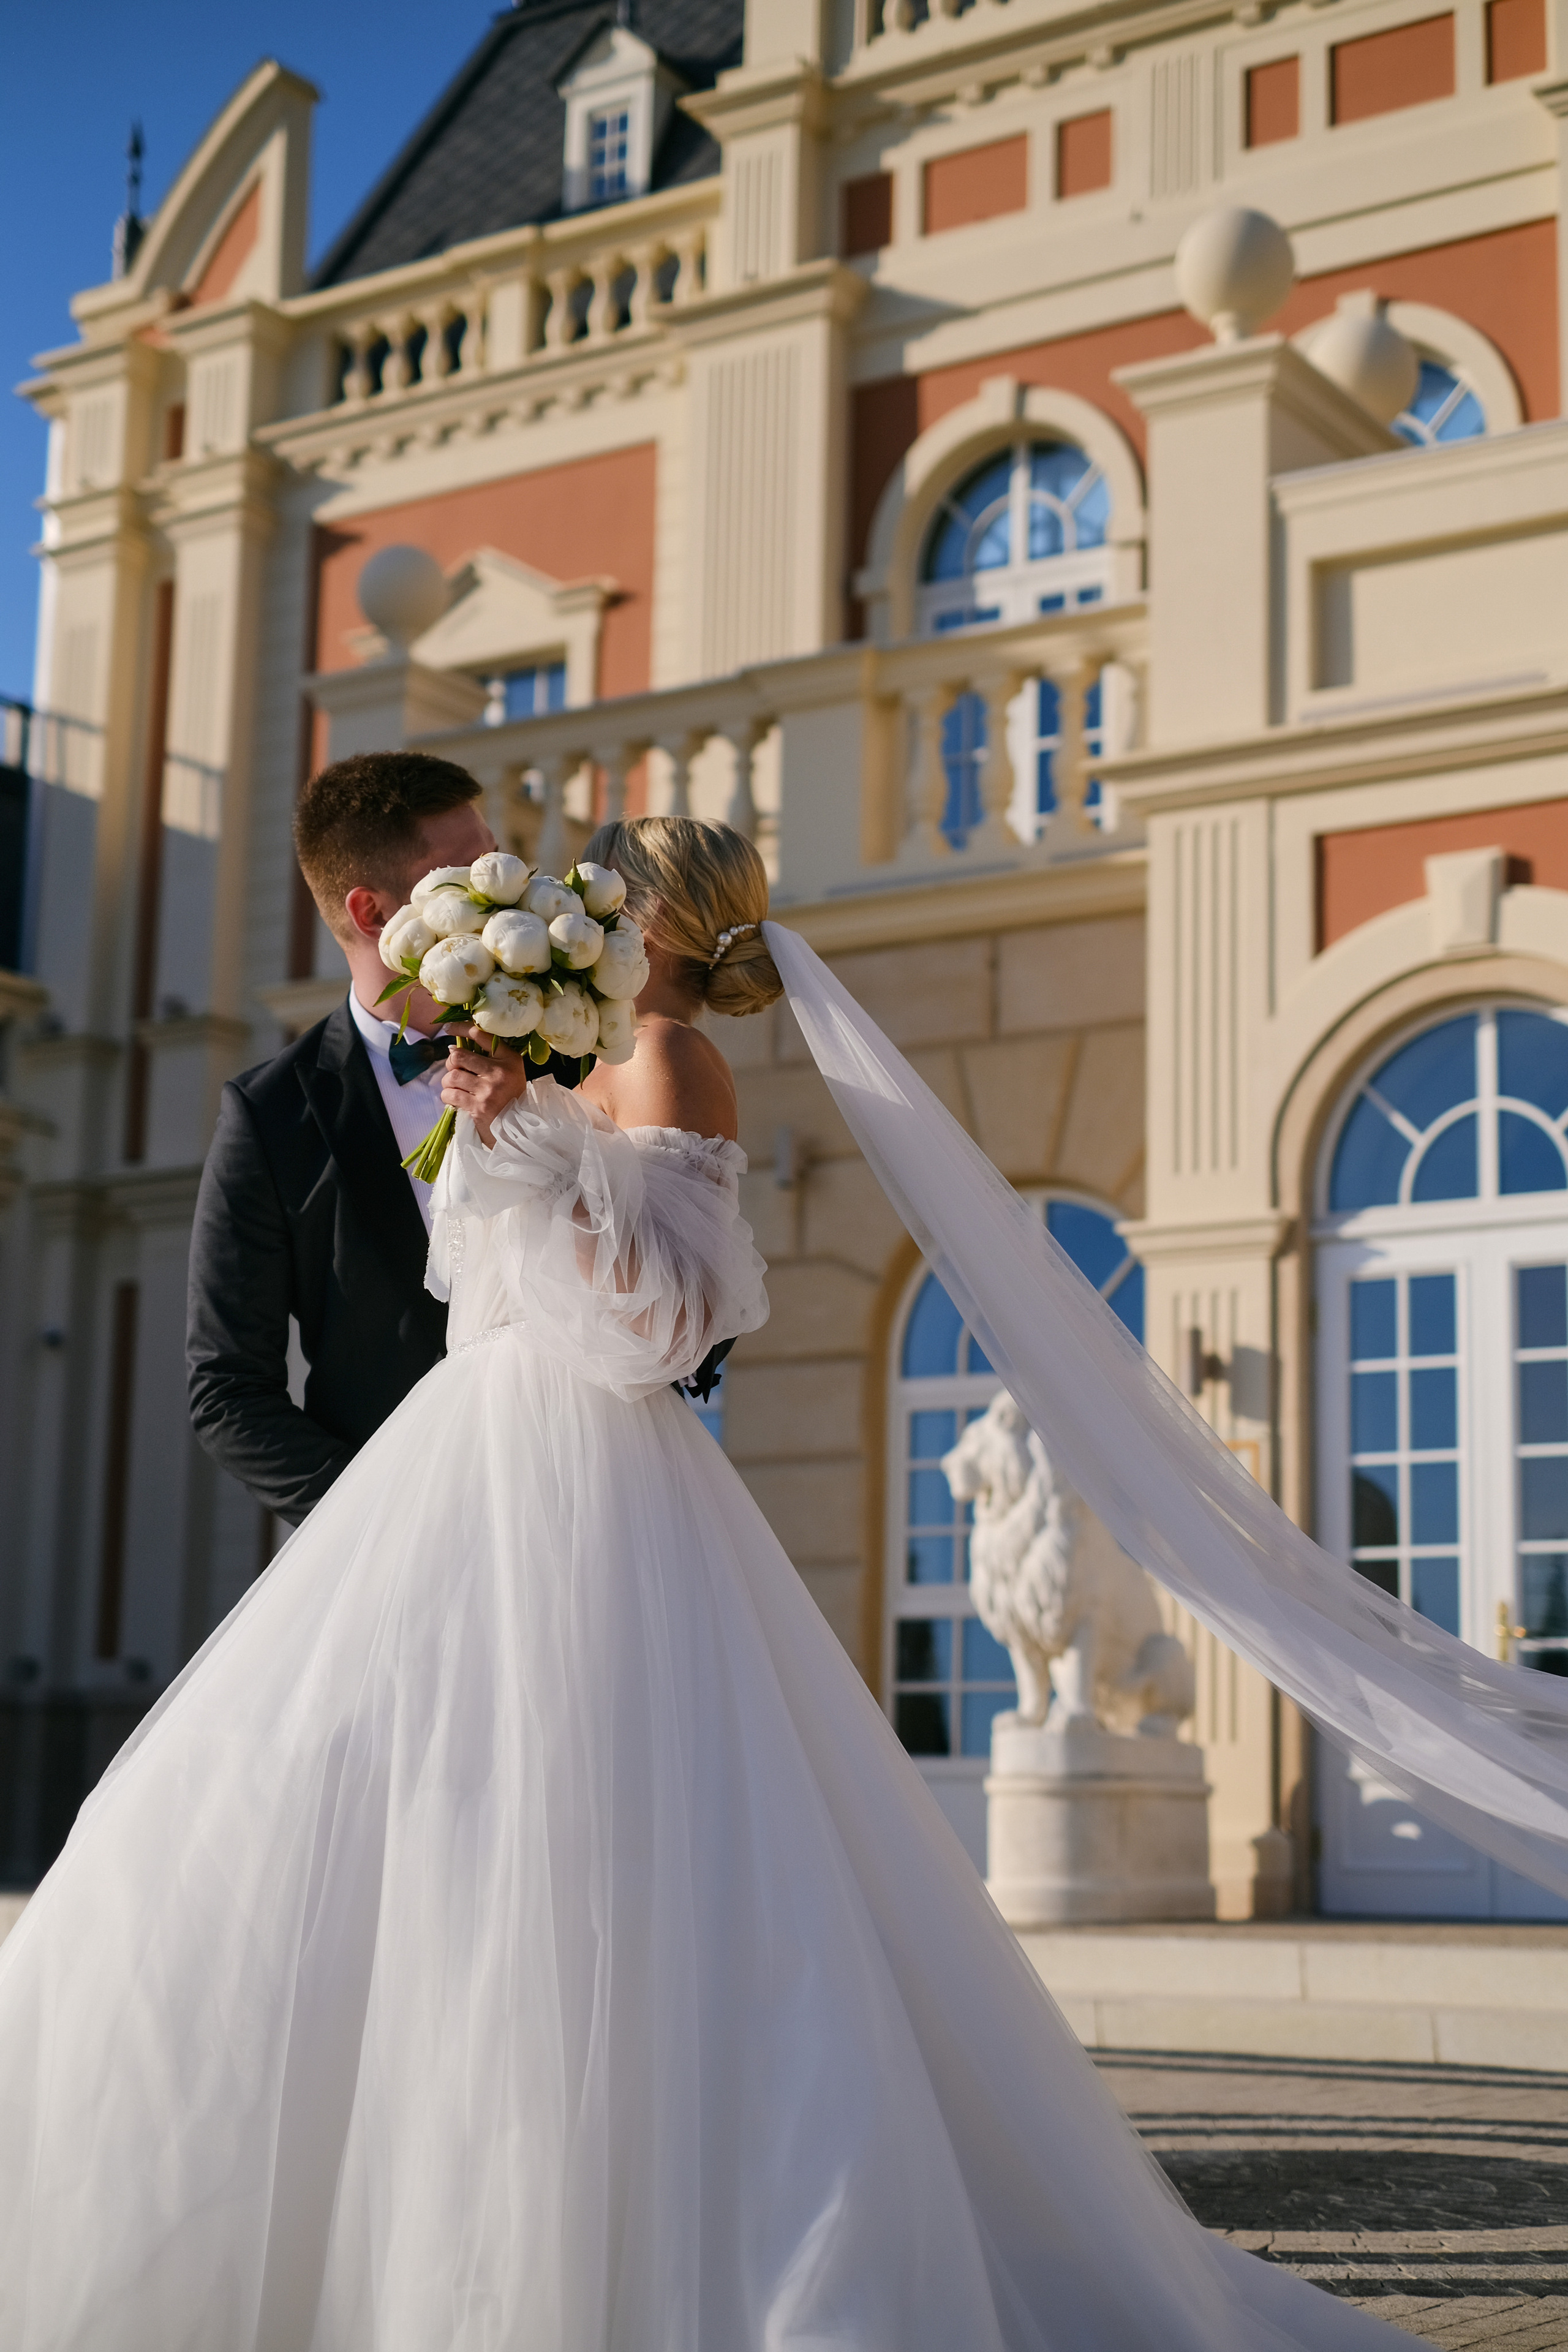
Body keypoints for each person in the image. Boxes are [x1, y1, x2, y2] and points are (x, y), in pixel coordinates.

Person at [0, 816, 1414, 2347]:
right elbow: (491, 1273)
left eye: (606, 879)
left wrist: (533, 1139)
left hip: (587, 1472)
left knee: (601, 1842)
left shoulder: (673, 1059)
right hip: (464, 1462)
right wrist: (508, 1115)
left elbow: (666, 1330)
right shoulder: (571, 1055)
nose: (580, 890)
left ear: (656, 923)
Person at [186, 749, 579, 1528]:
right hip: (396, 1565)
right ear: (373, 914)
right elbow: (227, 1389)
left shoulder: (572, 1046)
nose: (508, 898)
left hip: (579, 1510)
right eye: (467, 877)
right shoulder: (270, 1117)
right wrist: (382, 1525)